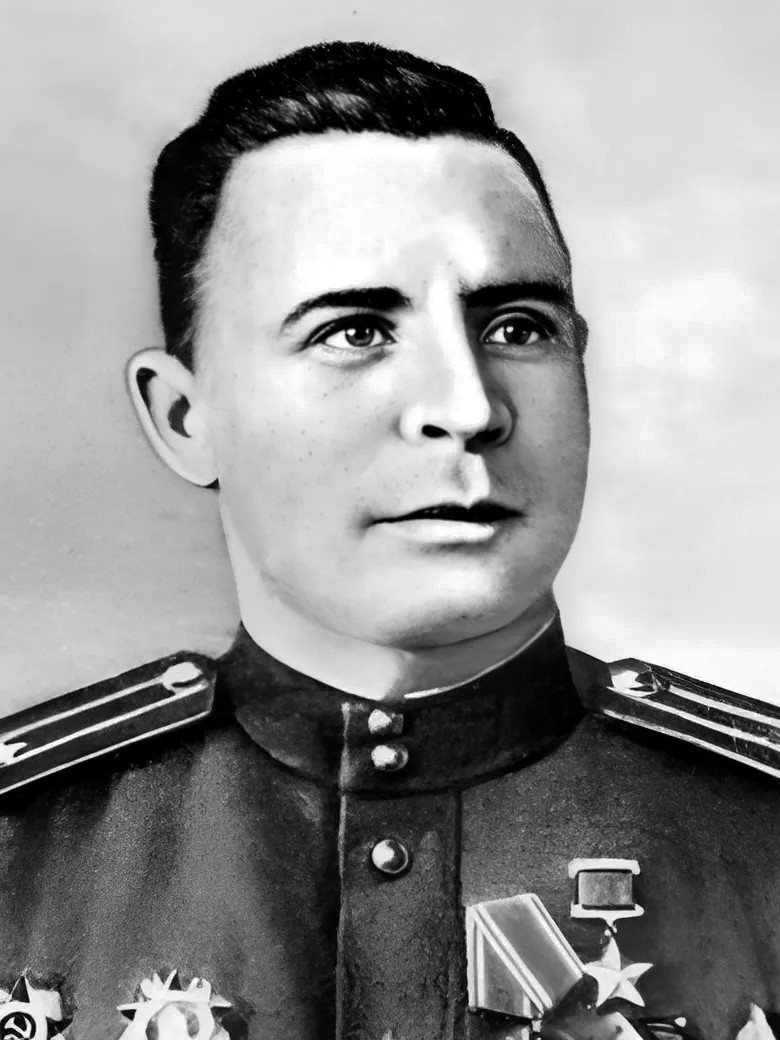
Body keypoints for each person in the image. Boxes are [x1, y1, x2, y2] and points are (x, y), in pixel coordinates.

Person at [0, 40, 777, 1040]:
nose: (469, 406)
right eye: (356, 331)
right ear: (185, 417)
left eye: (518, 327)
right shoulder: (27, 852)